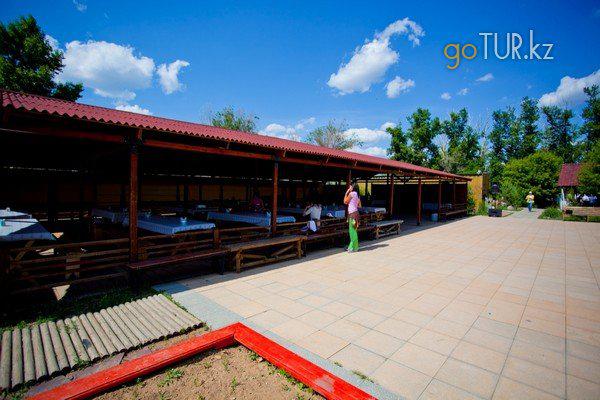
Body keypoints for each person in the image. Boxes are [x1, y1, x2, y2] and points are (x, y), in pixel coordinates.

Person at [343, 182, 361, 252]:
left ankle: (352, 248)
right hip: (356, 214)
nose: (349, 187)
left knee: (352, 231)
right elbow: (359, 206)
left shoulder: (352, 194)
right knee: (354, 230)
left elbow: (345, 201)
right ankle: (354, 247)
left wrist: (346, 193)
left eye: (350, 186)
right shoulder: (357, 195)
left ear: (353, 187)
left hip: (352, 214)